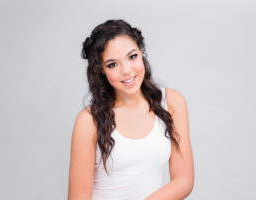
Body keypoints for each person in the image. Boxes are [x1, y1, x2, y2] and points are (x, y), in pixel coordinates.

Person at [68, 19, 194, 200]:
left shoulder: (173, 103)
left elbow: (183, 180)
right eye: (112, 64)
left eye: (132, 56)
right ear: (101, 70)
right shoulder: (89, 121)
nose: (126, 70)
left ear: (142, 53)